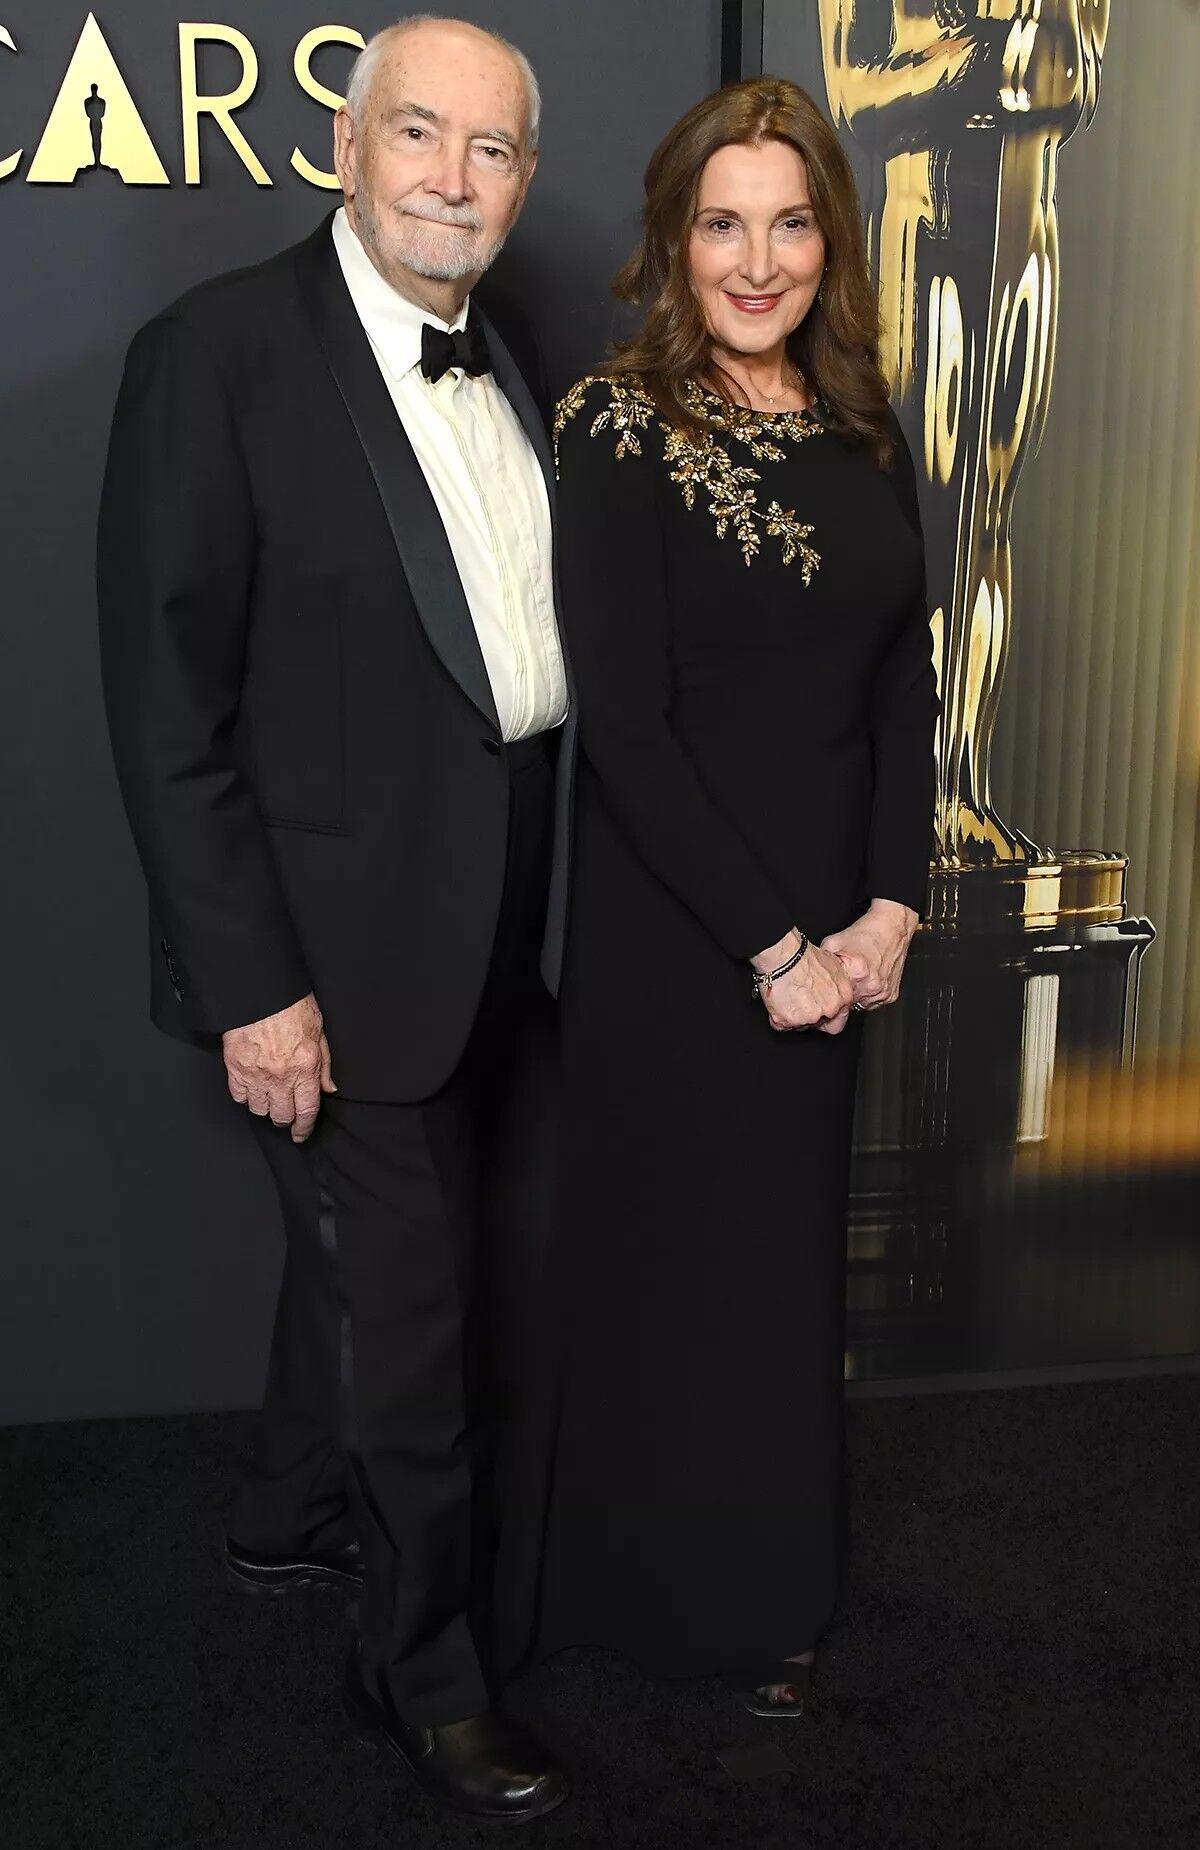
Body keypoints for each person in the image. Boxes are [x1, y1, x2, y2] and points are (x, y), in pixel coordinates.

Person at [97, 16, 573, 1825]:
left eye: (495, 152)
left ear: (524, 182)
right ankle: (424, 1676)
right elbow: (166, 711)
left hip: (517, 907)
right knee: (422, 1314)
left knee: (385, 1278)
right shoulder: (210, 355)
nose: (455, 179)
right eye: (421, 137)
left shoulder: (505, 353)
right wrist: (254, 987)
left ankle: (286, 1509)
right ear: (349, 145)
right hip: (329, 940)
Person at [517, 77, 937, 1716]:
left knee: (777, 1276)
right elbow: (622, 722)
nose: (756, 261)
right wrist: (775, 948)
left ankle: (771, 1588)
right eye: (721, 224)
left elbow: (906, 679)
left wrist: (886, 910)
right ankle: (649, 1597)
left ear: (827, 238)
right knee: (674, 1267)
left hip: (841, 937)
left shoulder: (863, 425)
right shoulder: (614, 424)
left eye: (788, 222)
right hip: (682, 935)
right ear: (673, 239)